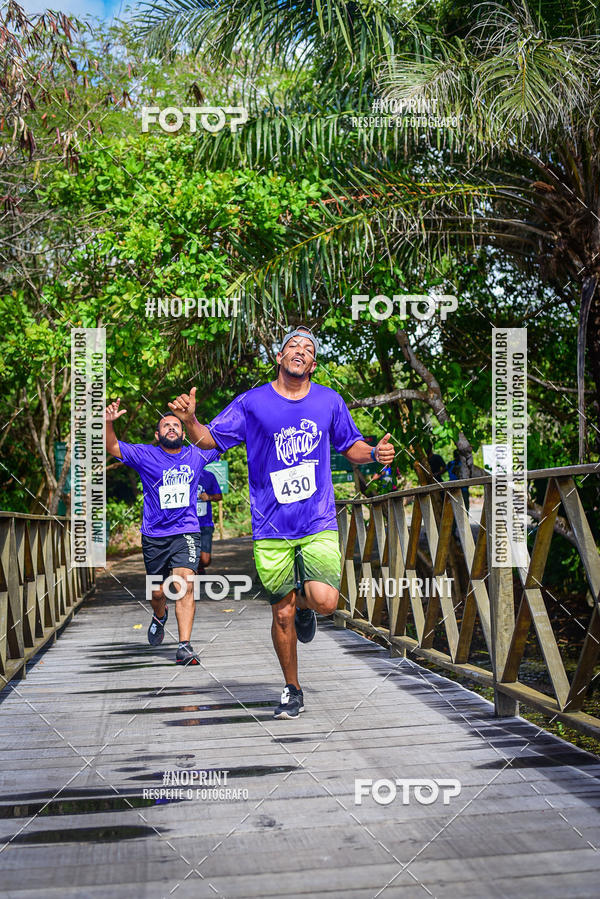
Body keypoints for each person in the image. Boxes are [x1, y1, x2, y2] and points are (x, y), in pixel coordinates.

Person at [168, 325, 395, 718]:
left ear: (313, 363)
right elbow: (210, 440)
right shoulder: (253, 402)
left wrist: (374, 452)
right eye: (293, 345)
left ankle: (306, 606)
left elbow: (350, 446)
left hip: (317, 520)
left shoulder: (329, 401)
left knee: (324, 602)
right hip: (271, 526)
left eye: (308, 348)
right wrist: (190, 421)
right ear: (279, 357)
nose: (301, 350)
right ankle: (292, 688)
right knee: (281, 611)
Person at [104, 399, 219, 664]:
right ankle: (159, 614)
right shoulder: (146, 456)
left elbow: (220, 439)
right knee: (157, 592)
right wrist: (108, 423)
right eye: (165, 425)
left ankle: (184, 646)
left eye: (176, 425)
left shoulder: (196, 454)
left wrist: (192, 419)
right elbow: (112, 446)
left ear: (182, 432)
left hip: (187, 532)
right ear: (157, 435)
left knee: (184, 585)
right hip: (154, 535)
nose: (171, 428)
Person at [196, 469, 223, 575]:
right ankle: (193, 572)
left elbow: (219, 496)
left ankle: (200, 567)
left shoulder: (208, 475)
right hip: (187, 524)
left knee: (206, 560)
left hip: (205, 523)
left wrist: (209, 497)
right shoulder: (182, 475)